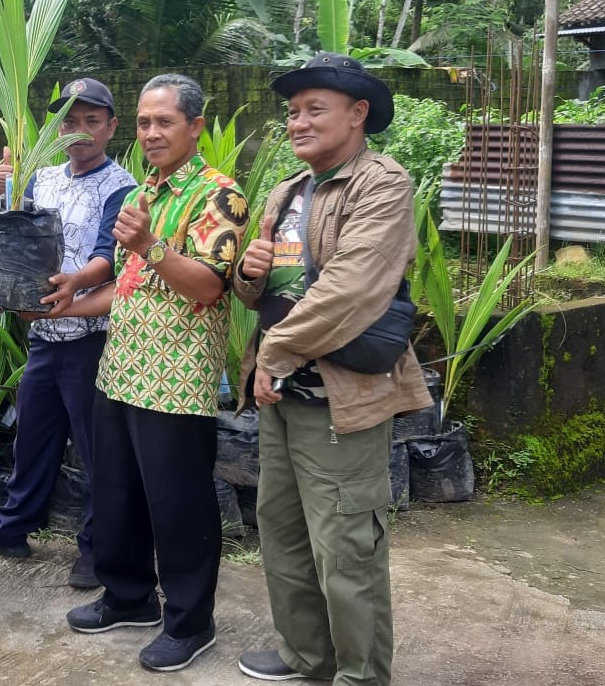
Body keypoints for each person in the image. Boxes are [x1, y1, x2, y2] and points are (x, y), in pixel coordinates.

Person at [233, 52, 431, 685]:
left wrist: (274, 353)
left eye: (314, 109)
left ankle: (360, 675)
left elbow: (352, 290)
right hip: (281, 396)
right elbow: (253, 293)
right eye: (292, 112)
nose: (297, 122)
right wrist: (249, 271)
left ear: (358, 113)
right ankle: (306, 656)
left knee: (346, 547)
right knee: (283, 532)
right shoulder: (287, 189)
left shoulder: (382, 184)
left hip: (342, 400)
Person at [61, 74, 248, 673]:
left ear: (194, 126)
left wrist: (151, 245)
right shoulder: (145, 190)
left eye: (163, 122)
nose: (150, 133)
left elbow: (210, 284)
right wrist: (62, 302)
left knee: (179, 505)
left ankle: (191, 622)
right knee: (118, 494)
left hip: (176, 378)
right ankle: (128, 595)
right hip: (121, 370)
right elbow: (125, 286)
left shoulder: (219, 196)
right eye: (143, 122)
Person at [0, 78, 136, 590]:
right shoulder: (40, 178)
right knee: (35, 436)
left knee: (95, 448)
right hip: (43, 333)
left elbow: (112, 256)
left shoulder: (122, 186)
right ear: (56, 128)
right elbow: (12, 235)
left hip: (92, 335)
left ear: (111, 126)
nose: (80, 131)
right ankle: (12, 528)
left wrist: (77, 284)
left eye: (92, 121)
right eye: (70, 121)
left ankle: (96, 546)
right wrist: (2, 192)